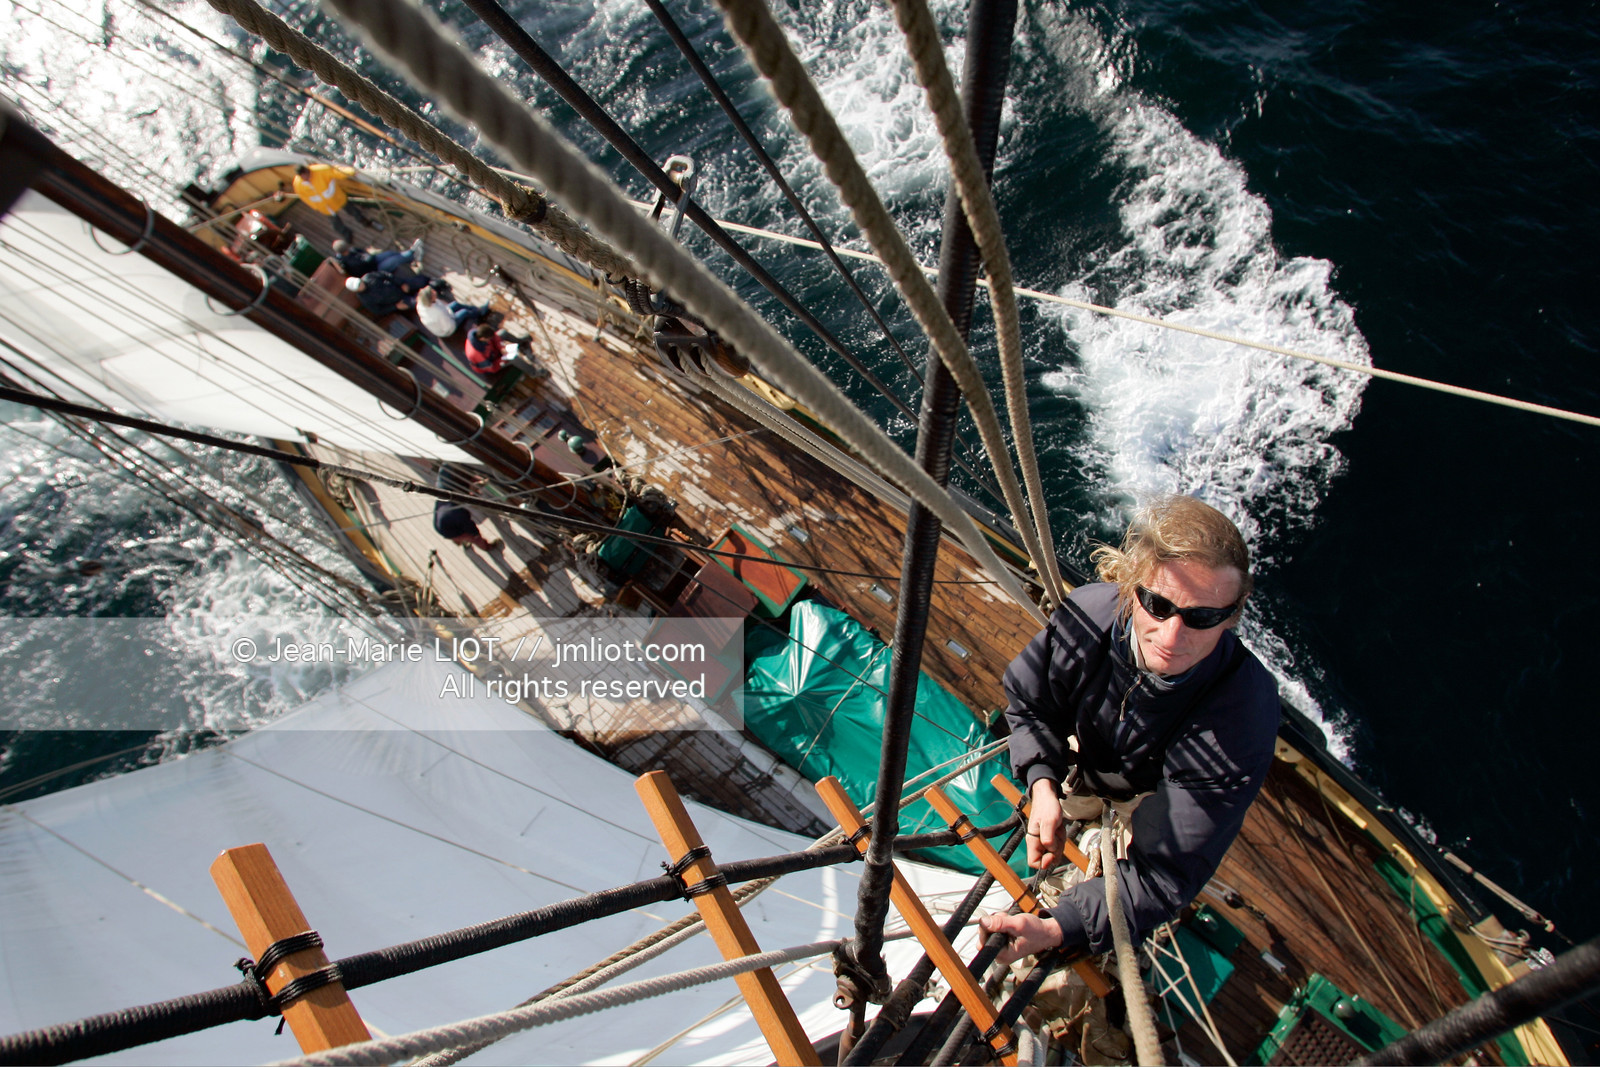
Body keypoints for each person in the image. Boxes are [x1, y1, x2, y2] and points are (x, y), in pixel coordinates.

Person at [979, 495, 1279, 966]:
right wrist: (1041, 783)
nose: (1173, 637)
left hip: (1147, 802)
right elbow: (1030, 700)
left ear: (1234, 613)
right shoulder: (1090, 615)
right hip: (1080, 764)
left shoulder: (1240, 715)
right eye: (1157, 604)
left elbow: (1166, 870)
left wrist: (1061, 927)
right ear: (1131, 586)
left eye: (1201, 617)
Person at [291, 163, 376, 241]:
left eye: (307, 175)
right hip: (325, 207)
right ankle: (346, 234)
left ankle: (363, 220)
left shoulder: (321, 170)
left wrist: (351, 171)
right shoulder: (298, 184)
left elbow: (337, 171)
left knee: (352, 210)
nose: (306, 178)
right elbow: (304, 197)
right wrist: (315, 206)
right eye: (303, 177)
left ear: (308, 170)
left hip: (337, 198)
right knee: (336, 223)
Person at [432, 464, 502, 552]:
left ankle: (458, 540)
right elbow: (470, 527)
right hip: (447, 530)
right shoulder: (460, 513)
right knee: (474, 538)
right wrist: (476, 534)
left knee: (457, 532)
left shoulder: (444, 497)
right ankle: (486, 547)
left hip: (439, 524)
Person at [345, 268, 431, 317]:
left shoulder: (369, 276)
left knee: (422, 280)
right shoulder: (364, 299)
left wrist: (401, 283)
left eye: (360, 282)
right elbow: (378, 310)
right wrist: (395, 306)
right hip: (399, 301)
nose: (361, 285)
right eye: (358, 286)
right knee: (420, 302)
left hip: (399, 286)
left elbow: (386, 275)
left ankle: (434, 284)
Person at [416, 286, 492, 339]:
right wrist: (453, 316)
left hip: (446, 315)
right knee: (464, 312)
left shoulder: (421, 304)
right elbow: (448, 327)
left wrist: (449, 312)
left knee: (456, 304)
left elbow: (444, 309)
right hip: (448, 328)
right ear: (430, 298)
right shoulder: (438, 313)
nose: (434, 292)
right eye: (432, 293)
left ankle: (477, 309)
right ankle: (480, 314)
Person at [332, 237, 424, 279]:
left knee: (390, 253)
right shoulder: (352, 262)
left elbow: (363, 253)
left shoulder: (350, 251)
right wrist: (370, 253)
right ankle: (413, 253)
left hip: (373, 261)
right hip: (374, 270)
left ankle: (410, 257)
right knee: (395, 260)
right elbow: (367, 260)